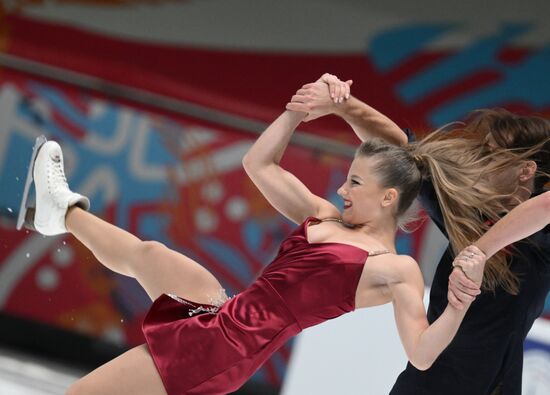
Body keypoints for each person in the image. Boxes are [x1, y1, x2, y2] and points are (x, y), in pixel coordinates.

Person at [21, 85, 541, 395]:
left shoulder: (395, 267)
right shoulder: (325, 213)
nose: (341, 187)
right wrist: (303, 108)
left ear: (388, 199)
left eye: (355, 182)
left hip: (218, 350)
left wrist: (454, 306)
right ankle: (62, 211)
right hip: (219, 315)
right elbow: (259, 164)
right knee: (151, 254)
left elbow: (423, 353)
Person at [288, 74, 550, 394]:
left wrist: (479, 251)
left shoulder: (542, 240)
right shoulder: (464, 211)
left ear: (526, 170)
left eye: (492, 155)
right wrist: (344, 105)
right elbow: (399, 151)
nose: (479, 162)